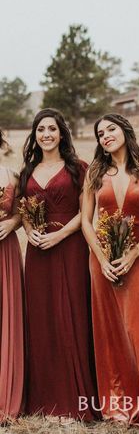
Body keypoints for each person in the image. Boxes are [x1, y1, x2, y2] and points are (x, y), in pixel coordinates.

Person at [82, 113, 139, 432]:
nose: (105, 136)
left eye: (111, 129)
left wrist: (132, 254)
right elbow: (86, 220)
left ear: (125, 131)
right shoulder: (94, 173)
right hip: (100, 257)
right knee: (110, 329)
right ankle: (116, 403)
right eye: (100, 133)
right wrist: (102, 259)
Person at [19, 108, 100, 422]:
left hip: (71, 247)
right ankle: (45, 396)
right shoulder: (27, 170)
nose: (46, 134)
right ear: (35, 135)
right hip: (38, 252)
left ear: (62, 133)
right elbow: (24, 210)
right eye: (41, 129)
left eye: (52, 128)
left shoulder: (78, 168)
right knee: (42, 318)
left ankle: (76, 398)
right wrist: (29, 232)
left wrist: (61, 234)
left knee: (73, 314)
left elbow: (87, 212)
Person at [0, 130, 24, 423]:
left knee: (7, 317)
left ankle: (6, 391)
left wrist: (12, 224)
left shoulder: (12, 175)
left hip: (4, 251)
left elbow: (21, 213)